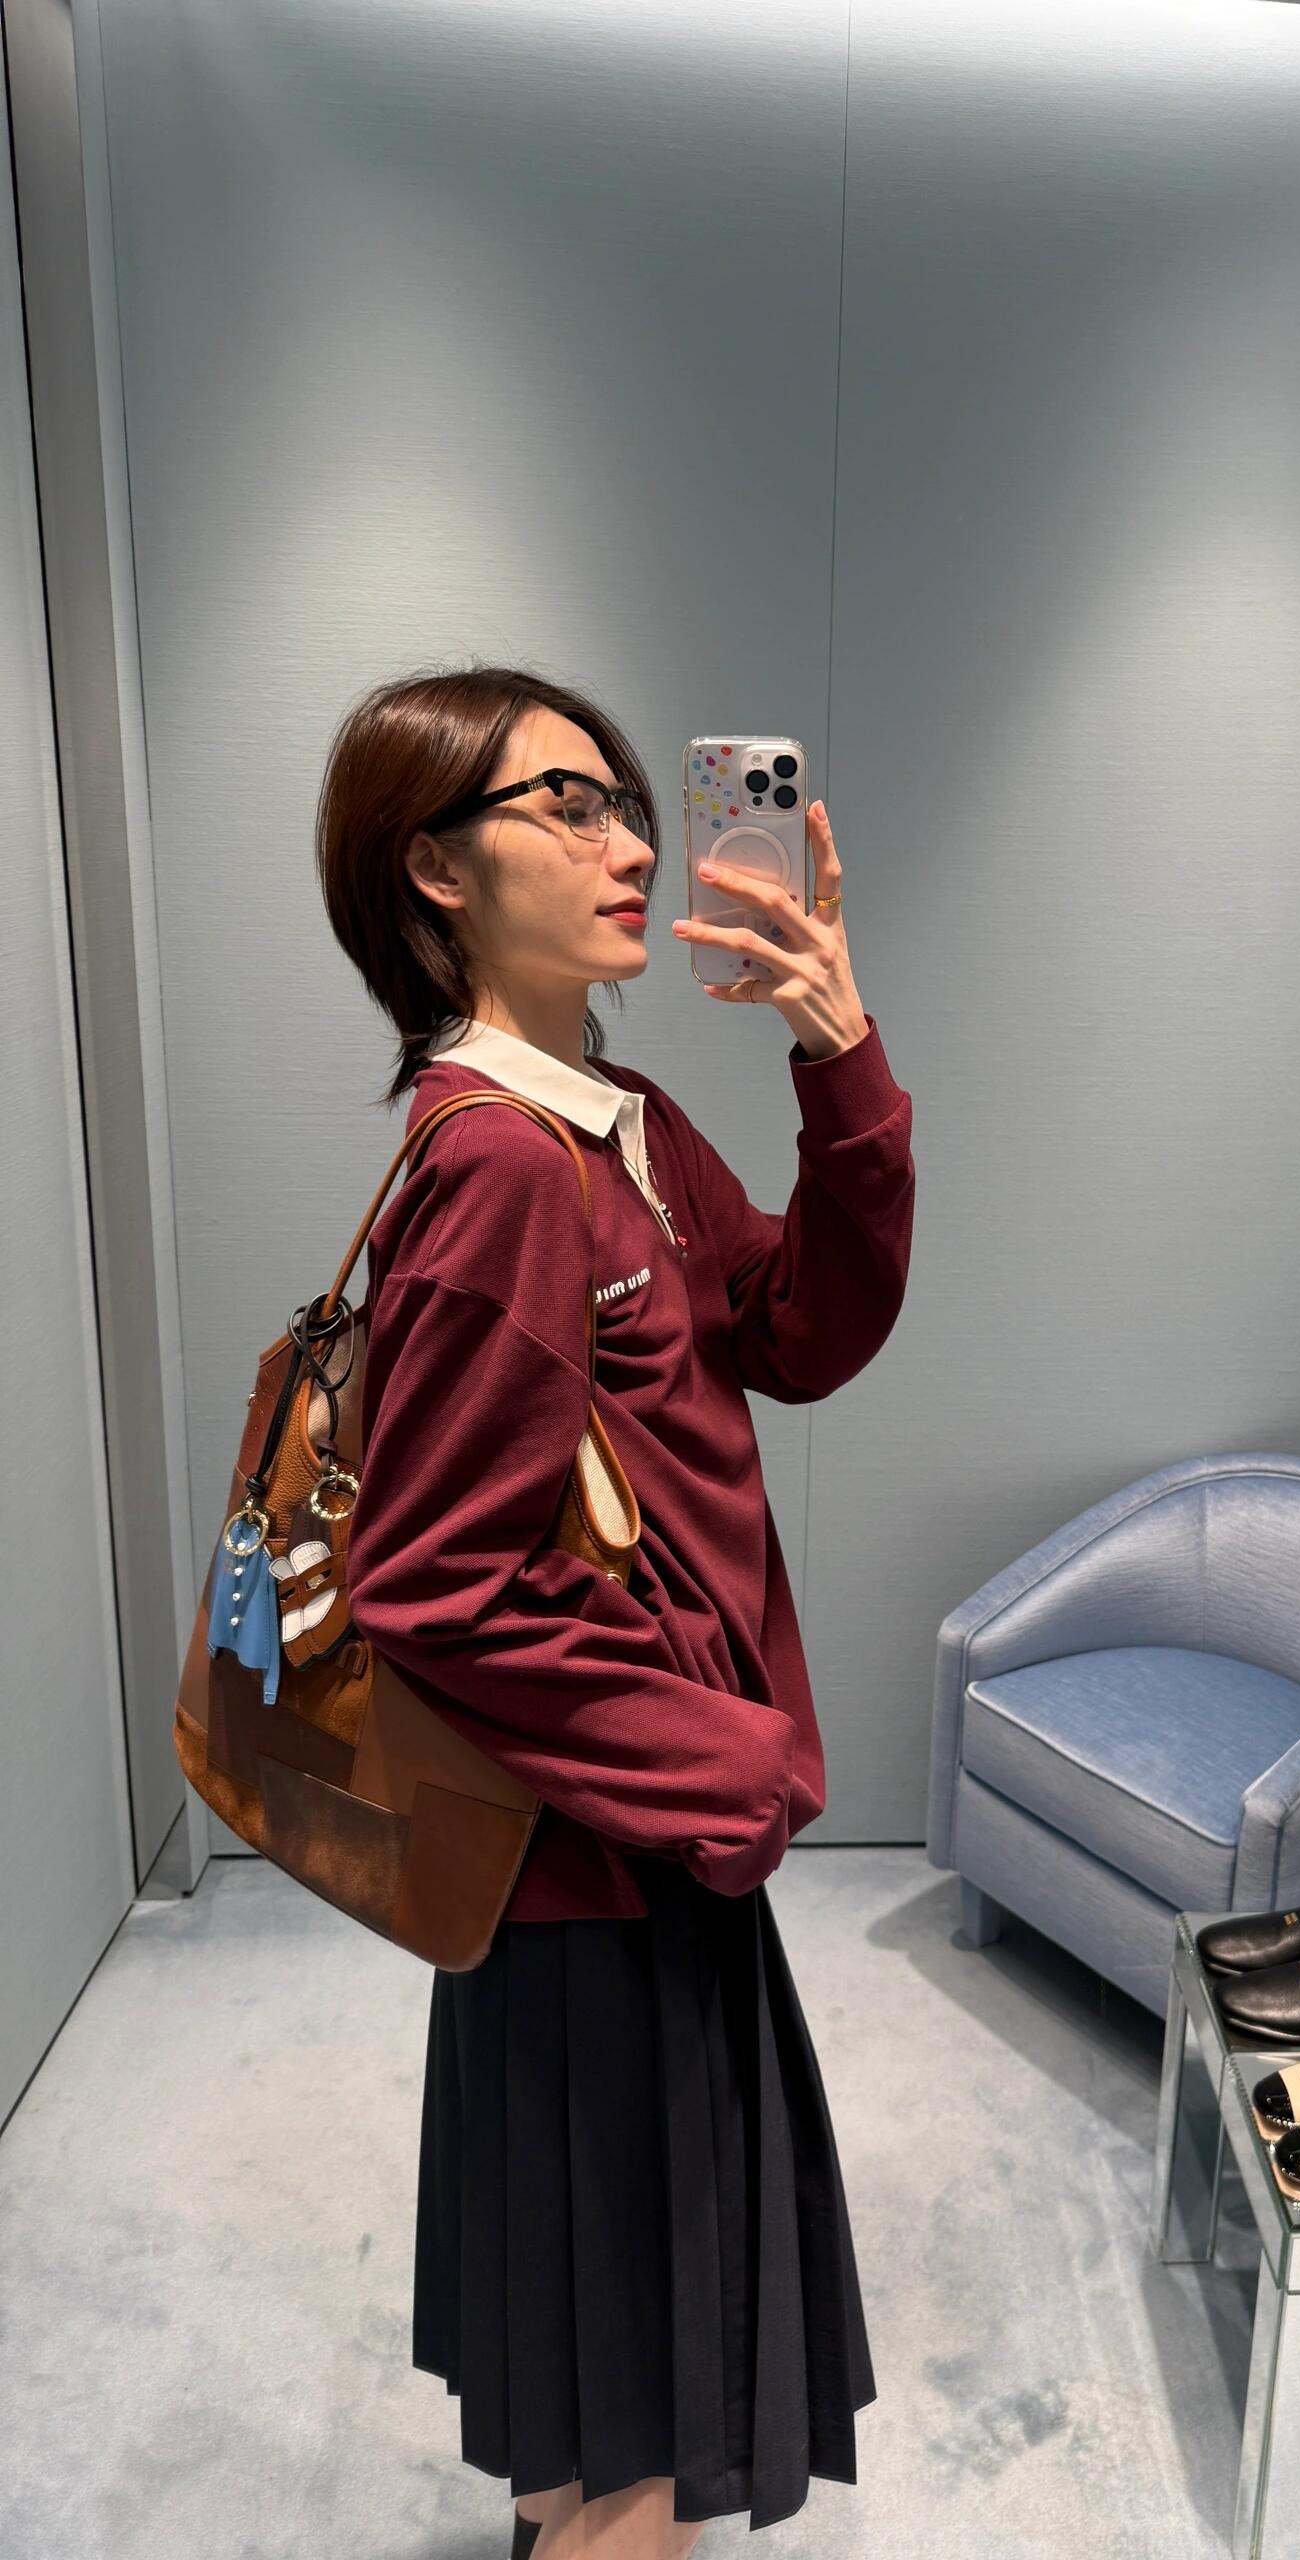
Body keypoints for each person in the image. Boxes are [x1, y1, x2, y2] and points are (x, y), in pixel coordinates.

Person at [315, 665, 915, 2557]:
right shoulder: (506, 1165)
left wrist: (840, 1062)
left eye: (627, 801)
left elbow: (796, 1331)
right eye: (563, 806)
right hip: (605, 1871)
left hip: (614, 1853)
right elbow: (434, 1580)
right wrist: (730, 1765)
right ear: (435, 868)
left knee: (596, 2381)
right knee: (645, 2425)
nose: (630, 841)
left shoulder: (612, 1120)